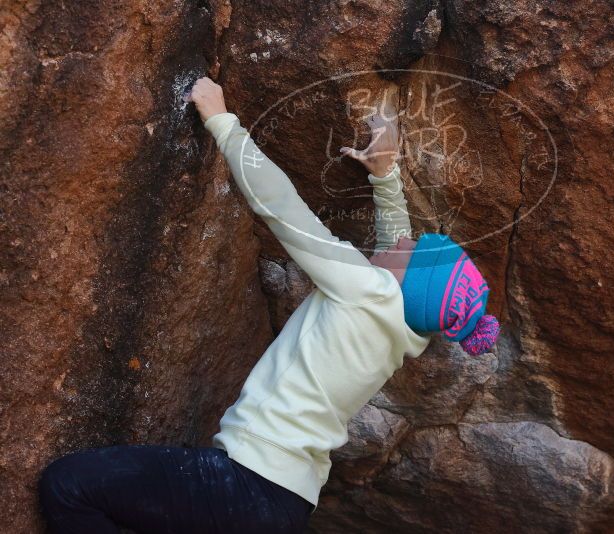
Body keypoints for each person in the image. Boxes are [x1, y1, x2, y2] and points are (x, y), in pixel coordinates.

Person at [37, 77, 500, 533]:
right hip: (286, 505)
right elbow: (395, 248)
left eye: (413, 247)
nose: (405, 238)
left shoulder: (367, 291)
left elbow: (284, 209)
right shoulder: (398, 327)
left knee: (69, 486)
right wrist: (386, 173)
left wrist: (222, 122)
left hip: (243, 484)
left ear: (404, 282)